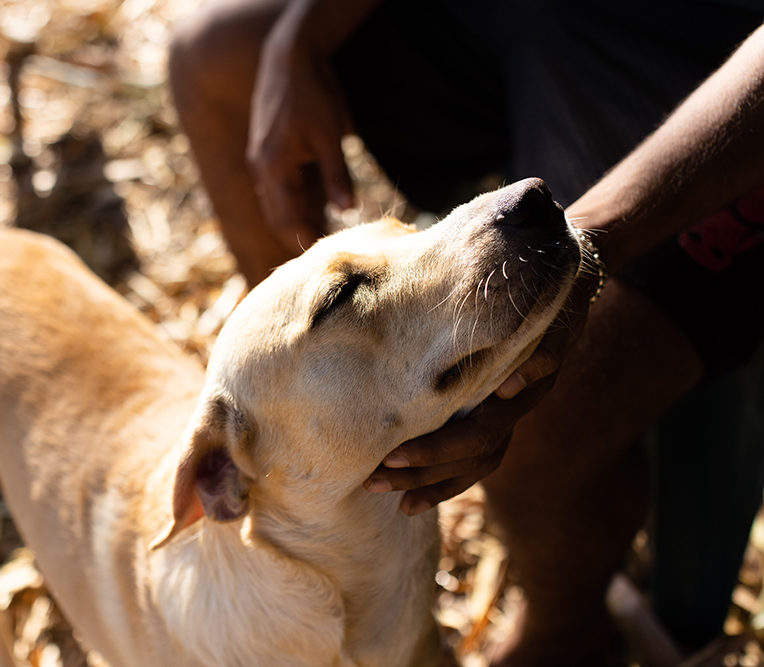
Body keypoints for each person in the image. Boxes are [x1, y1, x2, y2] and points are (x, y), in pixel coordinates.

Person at [168, 0, 764, 663]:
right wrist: (300, 34)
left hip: (720, 55)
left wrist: (581, 245)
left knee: (536, 394)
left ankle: (567, 633)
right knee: (214, 58)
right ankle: (306, 401)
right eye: (339, 298)